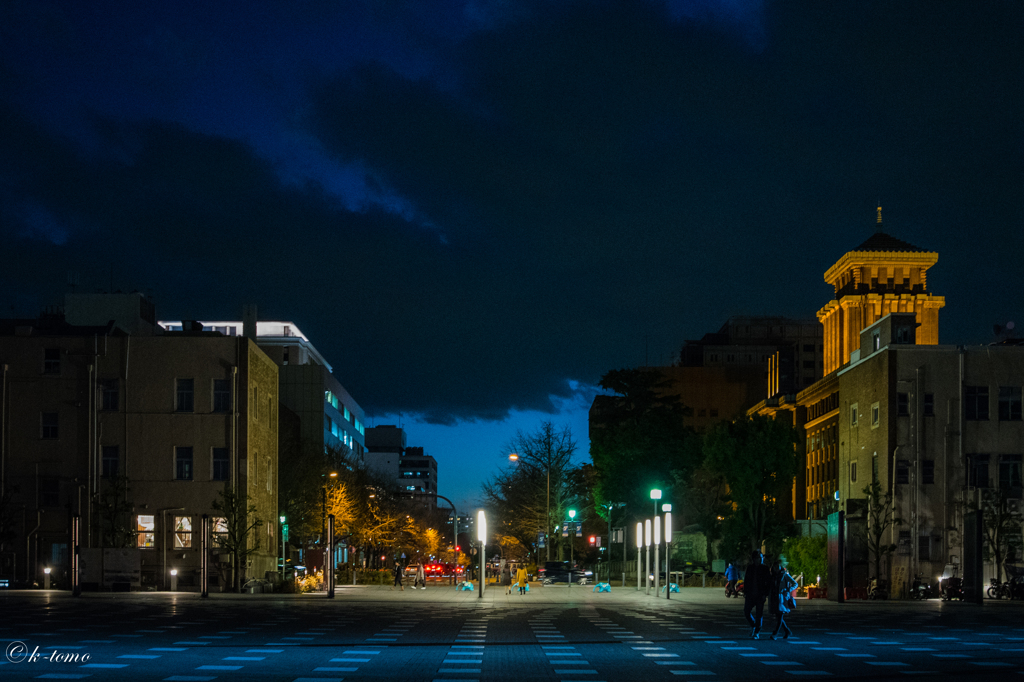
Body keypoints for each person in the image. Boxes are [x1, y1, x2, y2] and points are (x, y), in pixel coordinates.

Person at [744, 550, 772, 639]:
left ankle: (757, 632)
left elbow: (769, 582)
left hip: (760, 594)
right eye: (758, 558)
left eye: (761, 558)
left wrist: (765, 594)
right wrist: (746, 592)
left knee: (759, 614)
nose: (760, 559)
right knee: (746, 611)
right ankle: (754, 625)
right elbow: (746, 580)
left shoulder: (765, 568)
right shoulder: (750, 568)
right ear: (754, 559)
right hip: (750, 594)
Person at [770, 561, 798, 640]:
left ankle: (775, 634)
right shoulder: (773, 576)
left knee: (780, 617)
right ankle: (787, 631)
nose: (776, 568)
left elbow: (795, 584)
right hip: (775, 598)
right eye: (775, 566)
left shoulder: (784, 575)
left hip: (782, 598)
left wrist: (788, 589)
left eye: (778, 566)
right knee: (778, 617)